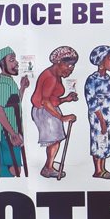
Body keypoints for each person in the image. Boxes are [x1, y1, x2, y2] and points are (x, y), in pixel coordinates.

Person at [31, 45, 79, 179]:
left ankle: (50, 164)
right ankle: (48, 168)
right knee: (55, 141)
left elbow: (52, 99)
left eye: (73, 66)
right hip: (43, 111)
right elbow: (45, 102)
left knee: (56, 140)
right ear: (59, 62)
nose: (71, 70)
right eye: (69, 66)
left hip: (49, 109)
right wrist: (62, 117)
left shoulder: (55, 74)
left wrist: (66, 99)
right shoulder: (51, 77)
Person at [0, 46, 30, 178]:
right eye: (12, 60)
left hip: (12, 132)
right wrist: (13, 134)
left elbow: (14, 103)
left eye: (15, 59)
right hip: (7, 134)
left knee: (8, 170)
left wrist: (22, 88)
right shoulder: (3, 84)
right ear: (2, 64)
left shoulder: (10, 81)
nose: (16, 63)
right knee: (14, 168)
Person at [84, 45, 110, 179]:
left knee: (105, 142)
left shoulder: (108, 79)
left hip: (108, 117)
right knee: (98, 141)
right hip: (98, 118)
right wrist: (102, 121)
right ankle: (98, 170)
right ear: (101, 62)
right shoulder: (92, 80)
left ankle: (103, 168)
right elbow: (92, 103)